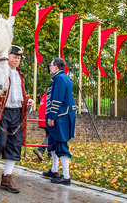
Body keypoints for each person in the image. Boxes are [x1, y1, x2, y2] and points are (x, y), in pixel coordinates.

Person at [0, 44, 34, 193]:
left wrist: (28, 99)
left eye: (19, 58)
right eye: (14, 57)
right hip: (2, 113)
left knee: (14, 146)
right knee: (0, 143)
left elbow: (20, 93)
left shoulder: (19, 74)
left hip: (17, 113)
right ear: (7, 57)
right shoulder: (0, 73)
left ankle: (7, 178)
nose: (17, 60)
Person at [42, 57, 76, 186]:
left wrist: (52, 116)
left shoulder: (60, 79)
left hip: (60, 116)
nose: (49, 67)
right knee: (53, 143)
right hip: (60, 116)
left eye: (50, 65)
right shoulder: (61, 78)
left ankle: (66, 177)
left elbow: (57, 99)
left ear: (56, 67)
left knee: (61, 144)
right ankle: (54, 170)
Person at [33, 92, 51, 161]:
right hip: (48, 118)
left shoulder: (44, 95)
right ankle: (40, 149)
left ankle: (50, 155)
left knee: (48, 136)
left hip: (42, 119)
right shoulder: (52, 94)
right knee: (52, 136)